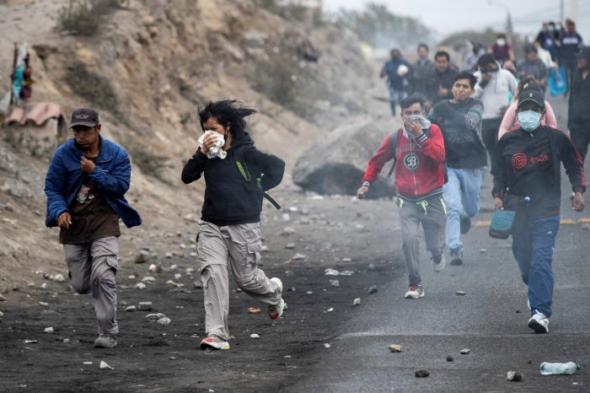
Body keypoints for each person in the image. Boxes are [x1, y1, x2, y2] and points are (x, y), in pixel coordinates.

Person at [181, 100, 286, 351]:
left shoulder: (245, 152)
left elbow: (277, 167)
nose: (209, 135)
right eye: (205, 129)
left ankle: (274, 295)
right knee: (213, 273)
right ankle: (217, 334)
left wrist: (257, 188)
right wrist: (200, 153)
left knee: (247, 280)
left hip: (243, 226)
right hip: (211, 225)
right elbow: (187, 177)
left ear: (227, 127)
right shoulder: (207, 155)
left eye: (214, 129)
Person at [44, 108, 142, 349]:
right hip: (73, 223)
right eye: (76, 130)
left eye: (85, 130)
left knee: (104, 276)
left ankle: (108, 332)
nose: (80, 135)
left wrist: (94, 171)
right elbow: (52, 188)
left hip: (104, 221)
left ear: (98, 129)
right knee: (81, 285)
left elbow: (120, 187)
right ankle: (80, 273)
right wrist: (60, 211)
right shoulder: (63, 154)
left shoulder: (116, 154)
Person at [492, 87, 585, 334]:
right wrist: (497, 194)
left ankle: (541, 312)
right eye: (524, 109)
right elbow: (498, 172)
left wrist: (578, 190)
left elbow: (574, 163)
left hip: (547, 209)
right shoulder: (507, 141)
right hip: (517, 210)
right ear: (517, 112)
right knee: (525, 261)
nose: (528, 114)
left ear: (542, 112)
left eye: (534, 109)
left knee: (541, 259)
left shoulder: (556, 138)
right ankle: (535, 287)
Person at [358, 95, 446, 299]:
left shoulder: (433, 131)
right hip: (406, 199)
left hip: (432, 197)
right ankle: (415, 284)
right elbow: (376, 161)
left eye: (417, 112)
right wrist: (366, 183)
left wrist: (421, 137)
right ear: (401, 116)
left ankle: (437, 253)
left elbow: (440, 156)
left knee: (434, 244)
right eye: (409, 113)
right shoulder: (395, 139)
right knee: (409, 239)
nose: (413, 117)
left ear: (424, 113)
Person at [430, 71, 486, 265]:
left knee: (470, 209)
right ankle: (454, 248)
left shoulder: (476, 105)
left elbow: (470, 123)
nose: (461, 90)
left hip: (473, 164)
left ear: (471, 90)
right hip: (449, 164)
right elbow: (429, 128)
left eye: (465, 87)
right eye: (457, 86)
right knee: (452, 206)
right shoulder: (440, 107)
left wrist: (448, 112)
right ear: (452, 87)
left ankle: (465, 216)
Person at [474, 54, 518, 160]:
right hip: (484, 120)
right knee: (491, 151)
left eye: (487, 67)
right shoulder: (476, 76)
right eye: (482, 68)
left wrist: (510, 107)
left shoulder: (506, 75)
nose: (486, 70)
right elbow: (472, 97)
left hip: (503, 119)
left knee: (503, 149)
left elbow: (518, 92)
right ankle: (497, 174)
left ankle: (501, 174)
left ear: (493, 63)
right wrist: (482, 83)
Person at [568, 46, 590, 162]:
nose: (579, 60)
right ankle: (579, 181)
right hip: (578, 125)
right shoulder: (575, 74)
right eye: (578, 58)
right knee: (578, 157)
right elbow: (571, 99)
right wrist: (570, 125)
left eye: (582, 58)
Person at [380, 48, 411, 116]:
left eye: (396, 53)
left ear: (399, 54)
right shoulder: (388, 63)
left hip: (402, 84)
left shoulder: (403, 62)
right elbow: (382, 74)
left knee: (402, 101)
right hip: (392, 84)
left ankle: (404, 113)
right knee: (393, 100)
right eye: (393, 53)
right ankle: (393, 113)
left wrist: (406, 72)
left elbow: (411, 69)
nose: (395, 54)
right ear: (391, 54)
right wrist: (384, 73)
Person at [558, 19, 584, 92]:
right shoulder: (563, 36)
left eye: (572, 26)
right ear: (567, 27)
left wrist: (580, 58)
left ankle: (573, 89)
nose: (571, 28)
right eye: (569, 26)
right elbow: (559, 48)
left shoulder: (577, 36)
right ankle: (566, 89)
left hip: (574, 59)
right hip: (565, 59)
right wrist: (559, 59)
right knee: (565, 75)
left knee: (574, 75)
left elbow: (581, 47)